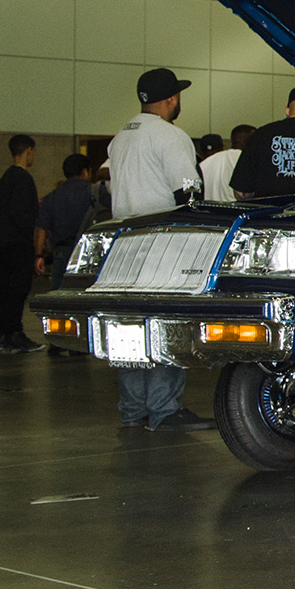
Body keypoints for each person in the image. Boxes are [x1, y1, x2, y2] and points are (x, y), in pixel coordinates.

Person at [107, 68, 213, 432]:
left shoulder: (120, 138)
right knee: (166, 325)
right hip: (163, 245)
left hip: (124, 246)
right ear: (171, 99)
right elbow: (189, 195)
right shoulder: (170, 136)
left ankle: (133, 409)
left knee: (129, 328)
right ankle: (165, 408)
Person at [0, 135, 41, 353]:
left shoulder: (6, 177)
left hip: (5, 242)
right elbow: (20, 213)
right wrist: (32, 234)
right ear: (28, 150)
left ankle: (3, 334)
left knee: (6, 289)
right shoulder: (23, 178)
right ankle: (14, 333)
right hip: (19, 243)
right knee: (18, 289)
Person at [35, 154, 95, 304]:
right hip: (89, 251)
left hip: (61, 252)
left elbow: (41, 228)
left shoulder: (52, 197)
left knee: (59, 295)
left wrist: (39, 255)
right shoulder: (95, 193)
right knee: (87, 296)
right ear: (85, 172)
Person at [200, 124, 255, 203]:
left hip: (206, 210)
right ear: (245, 142)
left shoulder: (206, 162)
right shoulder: (246, 160)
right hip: (236, 210)